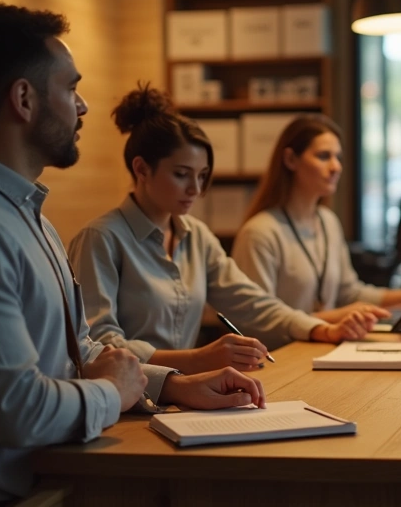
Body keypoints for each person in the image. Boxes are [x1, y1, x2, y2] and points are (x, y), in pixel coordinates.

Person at [0, 4, 265, 507]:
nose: (83, 105)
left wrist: (174, 386)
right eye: (71, 88)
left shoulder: (22, 213)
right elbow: (20, 412)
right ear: (23, 100)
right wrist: (114, 393)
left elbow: (79, 349)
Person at [69, 88, 375, 374]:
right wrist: (197, 359)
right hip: (125, 405)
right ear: (141, 169)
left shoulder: (197, 237)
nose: (195, 189)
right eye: (181, 175)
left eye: (202, 176)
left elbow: (251, 302)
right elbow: (100, 346)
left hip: (186, 391)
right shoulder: (102, 239)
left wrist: (319, 329)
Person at [231, 115, 401, 323]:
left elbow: (349, 293)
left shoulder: (328, 222)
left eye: (337, 157)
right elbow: (257, 321)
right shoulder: (260, 232)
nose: (336, 167)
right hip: (285, 354)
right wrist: (334, 318)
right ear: (290, 160)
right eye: (323, 156)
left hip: (325, 348)